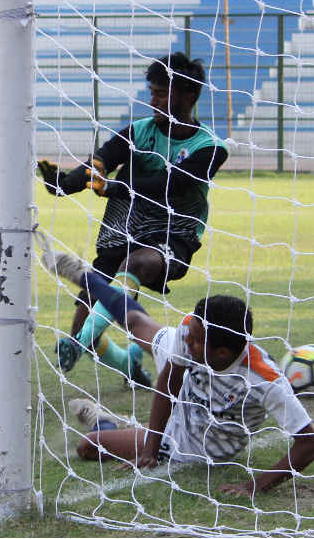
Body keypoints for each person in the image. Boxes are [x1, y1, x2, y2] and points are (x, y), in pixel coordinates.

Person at [40, 244, 314, 492]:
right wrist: (149, 449)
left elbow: (310, 445)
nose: (187, 338)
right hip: (190, 379)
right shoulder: (192, 334)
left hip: (194, 443)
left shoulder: (264, 380)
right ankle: (85, 276)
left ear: (223, 351)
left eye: (197, 339)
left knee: (89, 446)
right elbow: (169, 381)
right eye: (191, 331)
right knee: (137, 323)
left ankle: (110, 422)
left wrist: (255, 486)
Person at [38, 52, 228, 387]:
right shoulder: (139, 132)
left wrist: (114, 187)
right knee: (88, 323)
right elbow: (101, 161)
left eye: (161, 93)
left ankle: (79, 343)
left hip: (174, 232)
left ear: (189, 96)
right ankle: (128, 362)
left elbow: (171, 185)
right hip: (124, 229)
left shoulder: (210, 147)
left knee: (138, 263)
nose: (152, 99)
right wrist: (64, 184)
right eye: (152, 91)